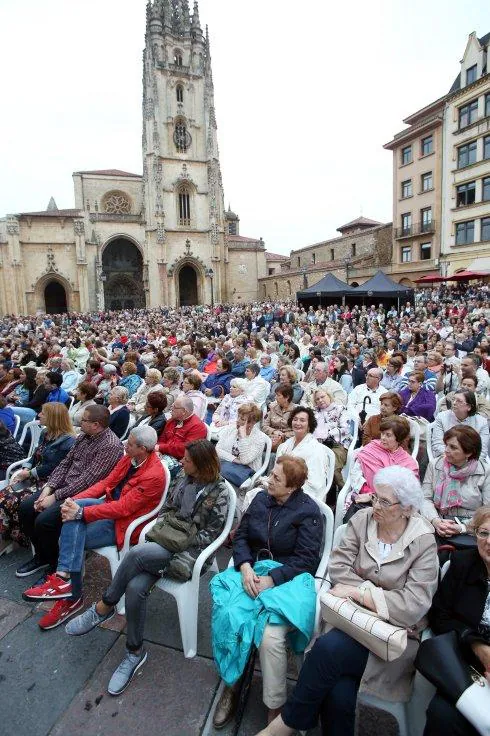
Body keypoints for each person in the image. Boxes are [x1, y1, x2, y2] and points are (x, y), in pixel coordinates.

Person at [259, 466, 438, 736]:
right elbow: (339, 566)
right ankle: (289, 724)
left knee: (328, 650)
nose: (375, 505)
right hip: (350, 623)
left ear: (407, 509)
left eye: (385, 501)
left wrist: (360, 593)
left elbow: (413, 605)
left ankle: (286, 724)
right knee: (339, 691)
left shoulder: (423, 542)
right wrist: (381, 599)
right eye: (375, 497)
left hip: (390, 641)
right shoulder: (363, 519)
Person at [65, 439, 229, 695]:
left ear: (200, 464)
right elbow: (168, 510)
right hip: (166, 538)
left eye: (186, 460)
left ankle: (104, 606)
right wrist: (168, 530)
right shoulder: (184, 478)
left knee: (138, 553)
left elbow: (213, 533)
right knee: (134, 587)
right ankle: (134, 652)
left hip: (188, 552)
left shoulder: (219, 491)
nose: (181, 462)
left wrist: (180, 538)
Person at [212, 456, 323, 729]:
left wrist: (272, 578)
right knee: (229, 613)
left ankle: (275, 708)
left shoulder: (308, 512)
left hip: (287, 579)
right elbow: (241, 537)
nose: (269, 480)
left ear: (293, 487)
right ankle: (232, 682)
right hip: (253, 569)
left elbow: (307, 559)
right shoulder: (261, 499)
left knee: (270, 636)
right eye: (271, 474)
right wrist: (246, 566)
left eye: (276, 478)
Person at [22, 425, 166, 630]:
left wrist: (81, 513)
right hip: (109, 509)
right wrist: (74, 501)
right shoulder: (130, 458)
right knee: (73, 515)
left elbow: (124, 509)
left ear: (143, 448)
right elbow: (106, 482)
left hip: (124, 524)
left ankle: (71, 597)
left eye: (131, 443)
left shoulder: (154, 474)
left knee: (70, 538)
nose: (125, 444)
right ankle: (64, 580)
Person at [16, 405, 124, 578]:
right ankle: (42, 556)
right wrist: (48, 488)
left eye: (84, 419)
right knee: (26, 508)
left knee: (44, 521)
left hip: (80, 495)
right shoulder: (83, 437)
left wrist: (54, 497)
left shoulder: (110, 446)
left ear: (95, 425)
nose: (79, 421)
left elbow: (88, 481)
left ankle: (55, 565)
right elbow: (65, 464)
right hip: (62, 486)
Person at [422, 505, 490, 736]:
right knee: (442, 715)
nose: (489, 542)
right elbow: (439, 615)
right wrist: (475, 643)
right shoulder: (463, 563)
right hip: (466, 666)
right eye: (484, 533)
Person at [0, 403, 76, 551]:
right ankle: (11, 535)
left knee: (12, 499)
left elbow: (54, 468)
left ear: (53, 418)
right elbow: (34, 455)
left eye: (43, 413)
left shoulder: (68, 441)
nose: (39, 415)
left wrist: (28, 474)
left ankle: (21, 536)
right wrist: (25, 468)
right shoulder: (46, 433)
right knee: (4, 496)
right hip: (35, 475)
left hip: (50, 482)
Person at [422, 426, 490, 539]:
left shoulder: (485, 471)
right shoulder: (435, 465)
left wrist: (463, 528)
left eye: (453, 447)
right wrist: (436, 521)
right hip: (440, 522)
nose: (446, 450)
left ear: (468, 453)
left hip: (473, 527)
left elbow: (487, 510)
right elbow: (425, 499)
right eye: (446, 445)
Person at [349, 416, 419, 506]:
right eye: (382, 433)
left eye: (388, 435)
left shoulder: (408, 462)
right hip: (362, 497)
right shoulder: (371, 448)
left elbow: (408, 492)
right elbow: (355, 474)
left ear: (398, 438)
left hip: (393, 505)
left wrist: (375, 497)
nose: (383, 438)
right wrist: (368, 492)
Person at [275, 406, 331, 501]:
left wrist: (287, 489)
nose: (297, 423)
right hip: (281, 488)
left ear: (309, 425)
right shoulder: (285, 445)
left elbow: (315, 483)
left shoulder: (316, 449)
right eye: (295, 419)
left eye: (302, 420)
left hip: (303, 495)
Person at [216, 403, 266, 489]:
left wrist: (243, 437)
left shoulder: (260, 438)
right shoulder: (231, 428)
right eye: (238, 416)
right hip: (226, 469)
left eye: (242, 419)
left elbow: (245, 460)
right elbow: (217, 449)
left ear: (253, 423)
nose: (238, 420)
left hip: (244, 475)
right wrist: (234, 459)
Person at [431, 388, 489, 461]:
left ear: (469, 407)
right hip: (445, 459)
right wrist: (453, 459)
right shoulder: (442, 417)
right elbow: (437, 445)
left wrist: (466, 463)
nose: (454, 403)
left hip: (471, 463)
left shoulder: (481, 422)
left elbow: (482, 451)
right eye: (453, 399)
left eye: (459, 401)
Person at [312, 388, 352, 490]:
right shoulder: (315, 413)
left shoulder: (340, 409)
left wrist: (327, 433)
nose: (320, 400)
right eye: (317, 399)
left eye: (322, 397)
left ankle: (344, 491)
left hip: (338, 443)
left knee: (331, 465)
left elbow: (346, 428)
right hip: (319, 444)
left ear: (329, 396)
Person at [157, 395, 207, 465]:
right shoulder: (172, 420)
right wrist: (158, 451)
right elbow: (162, 439)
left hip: (181, 463)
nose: (171, 409)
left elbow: (185, 450)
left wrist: (161, 448)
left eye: (174, 407)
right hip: (163, 455)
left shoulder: (198, 427)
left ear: (184, 411)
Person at [262, 384, 297, 452]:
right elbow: (264, 426)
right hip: (271, 437)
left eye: (278, 395)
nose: (275, 397)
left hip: (288, 441)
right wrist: (274, 431)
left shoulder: (296, 411)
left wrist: (283, 435)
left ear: (286, 397)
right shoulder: (273, 407)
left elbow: (298, 431)